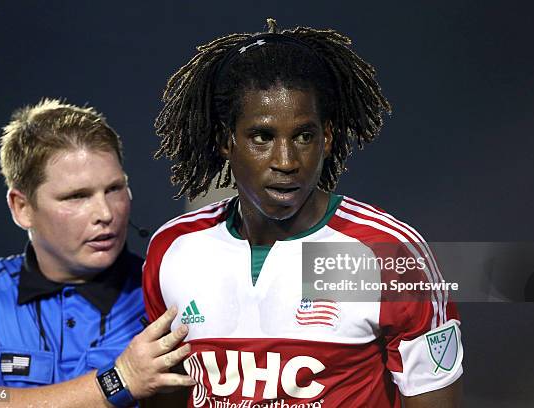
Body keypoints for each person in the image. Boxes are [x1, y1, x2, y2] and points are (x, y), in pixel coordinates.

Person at [144, 19, 463, 407]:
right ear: (225, 141)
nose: (286, 161)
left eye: (303, 136)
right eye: (262, 137)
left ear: (327, 138)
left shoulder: (387, 255)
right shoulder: (174, 249)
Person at [0, 99, 195, 407]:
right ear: (22, 208)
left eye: (114, 189)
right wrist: (119, 379)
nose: (105, 212)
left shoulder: (168, 293)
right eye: (77, 196)